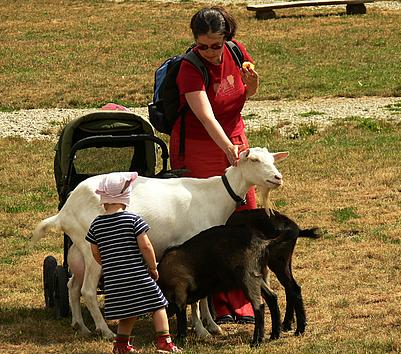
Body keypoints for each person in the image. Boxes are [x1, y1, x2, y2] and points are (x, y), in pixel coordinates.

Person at [168, 6, 259, 324]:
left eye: (215, 45)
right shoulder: (189, 67)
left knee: (244, 217)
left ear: (227, 39)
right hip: (199, 147)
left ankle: (245, 299)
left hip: (234, 137)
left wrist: (253, 85)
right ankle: (214, 306)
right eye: (202, 45)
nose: (208, 52)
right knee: (209, 227)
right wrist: (229, 151)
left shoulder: (237, 52)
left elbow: (243, 93)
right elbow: (205, 116)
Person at [85, 172, 181, 354]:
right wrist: (153, 266)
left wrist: (108, 264)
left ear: (104, 200)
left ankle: (121, 346)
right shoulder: (133, 220)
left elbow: (95, 250)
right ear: (125, 198)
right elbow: (146, 246)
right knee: (158, 305)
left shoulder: (96, 224)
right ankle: (164, 341)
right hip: (137, 275)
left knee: (127, 310)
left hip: (114, 279)